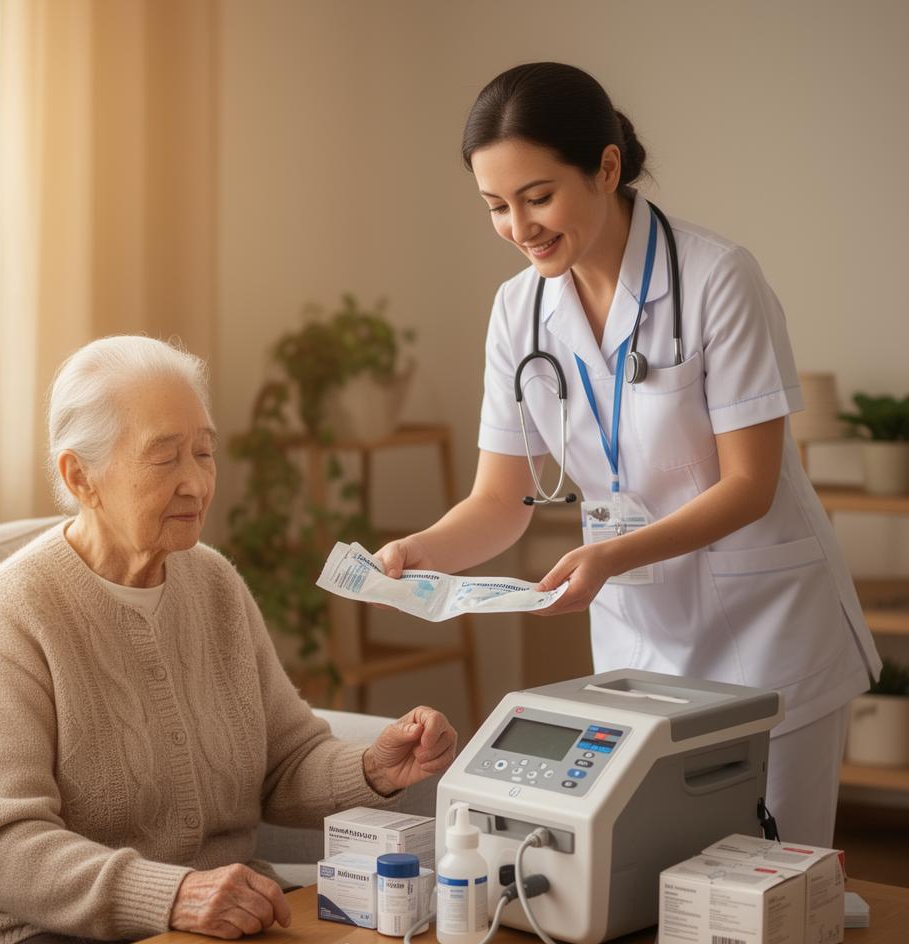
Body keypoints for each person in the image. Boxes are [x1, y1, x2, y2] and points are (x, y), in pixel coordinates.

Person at [376, 63, 879, 849]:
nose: (519, 227)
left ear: (607, 167)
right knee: (653, 885)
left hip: (765, 628)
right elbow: (501, 499)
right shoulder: (519, 310)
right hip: (637, 634)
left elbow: (747, 485)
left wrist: (611, 555)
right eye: (496, 207)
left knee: (769, 885)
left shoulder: (718, 279)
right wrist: (417, 551)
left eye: (537, 197)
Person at [0, 335, 457, 944]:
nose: (197, 483)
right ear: (81, 476)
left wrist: (372, 766)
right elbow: (3, 844)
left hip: (209, 917)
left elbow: (285, 760)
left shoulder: (212, 583)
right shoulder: (16, 612)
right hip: (33, 930)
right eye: (164, 456)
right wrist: (172, 895)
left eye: (203, 452)